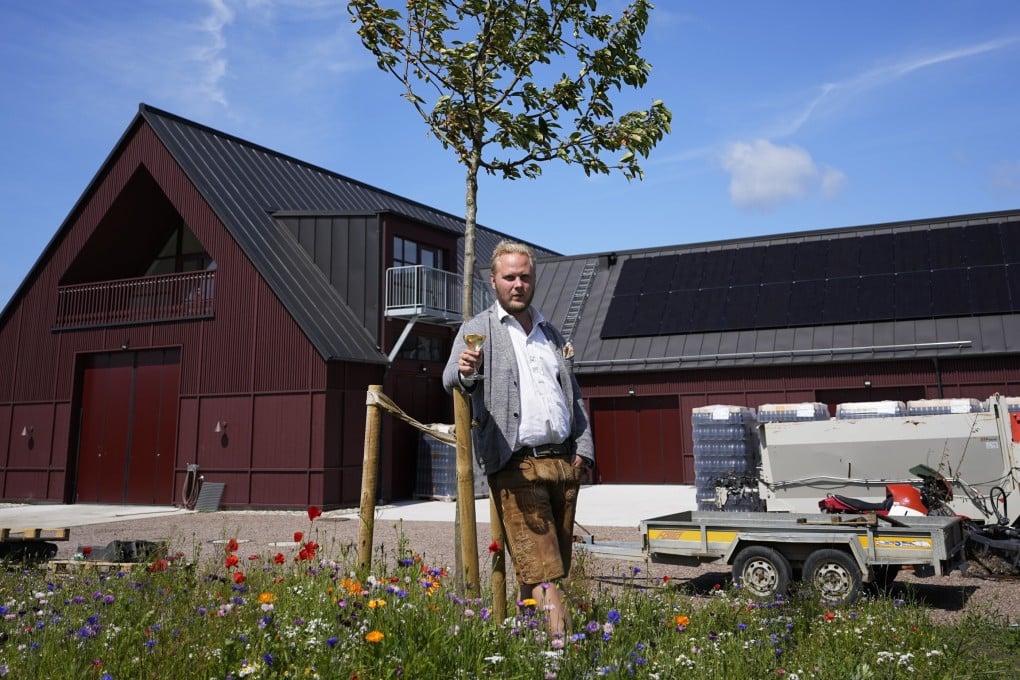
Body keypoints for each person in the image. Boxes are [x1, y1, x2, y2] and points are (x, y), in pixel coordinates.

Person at [443, 239, 595, 636]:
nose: (518, 284)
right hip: (516, 464)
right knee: (546, 572)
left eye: (525, 277)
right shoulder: (477, 329)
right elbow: (452, 378)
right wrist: (467, 371)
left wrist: (583, 450)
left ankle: (521, 642)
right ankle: (566, 650)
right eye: (509, 277)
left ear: (533, 280)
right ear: (493, 281)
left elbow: (574, 397)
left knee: (540, 568)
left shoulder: (550, 332)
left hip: (563, 463)